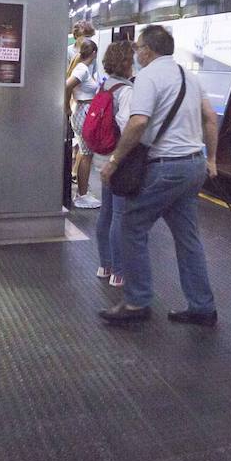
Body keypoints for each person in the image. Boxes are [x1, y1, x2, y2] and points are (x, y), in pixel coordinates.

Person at [99, 25, 221, 326]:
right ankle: (202, 307)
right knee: (188, 237)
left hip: (165, 167)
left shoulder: (148, 78)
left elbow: (138, 123)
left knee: (131, 226)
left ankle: (137, 302)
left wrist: (114, 161)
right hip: (193, 165)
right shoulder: (188, 77)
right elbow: (210, 119)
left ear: (147, 51)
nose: (135, 53)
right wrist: (213, 158)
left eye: (137, 47)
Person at [91, 40, 135, 286]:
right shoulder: (126, 91)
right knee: (119, 215)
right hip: (117, 160)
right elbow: (128, 126)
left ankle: (104, 265)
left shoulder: (104, 86)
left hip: (102, 157)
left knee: (105, 213)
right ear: (127, 62)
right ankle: (119, 272)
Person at [65, 38, 101, 209]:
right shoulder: (83, 70)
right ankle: (82, 194)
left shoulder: (80, 68)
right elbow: (67, 86)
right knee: (87, 155)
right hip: (83, 112)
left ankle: (82, 191)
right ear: (94, 53)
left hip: (82, 111)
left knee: (83, 151)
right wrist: (66, 107)